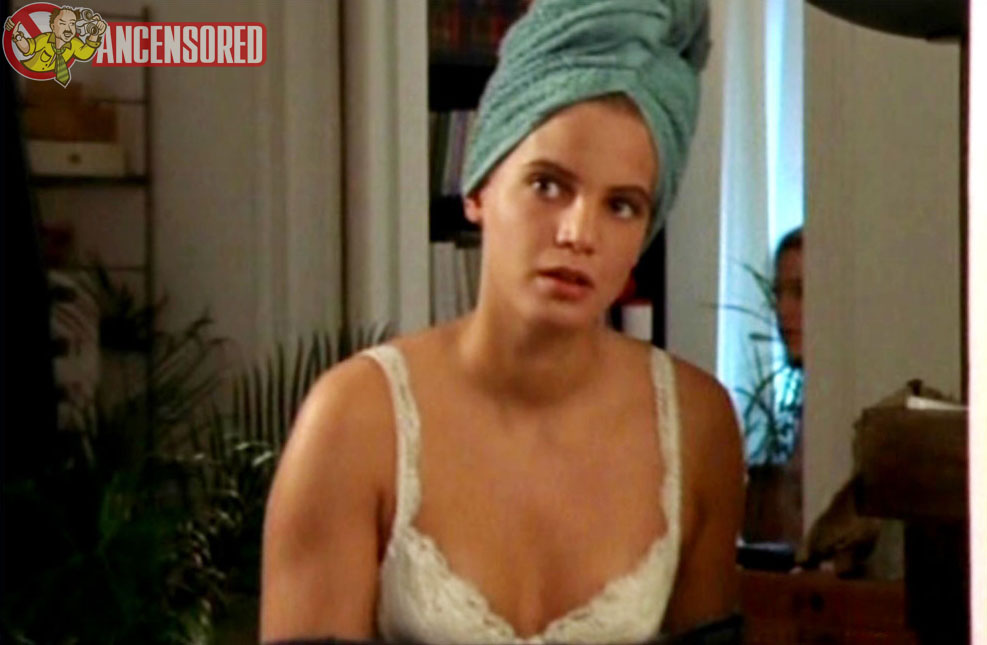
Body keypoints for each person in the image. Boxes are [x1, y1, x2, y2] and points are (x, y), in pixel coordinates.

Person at [261, 1, 744, 642]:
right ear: (478, 187)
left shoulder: (696, 425)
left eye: (622, 206)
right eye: (548, 186)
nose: (578, 234)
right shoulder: (356, 419)